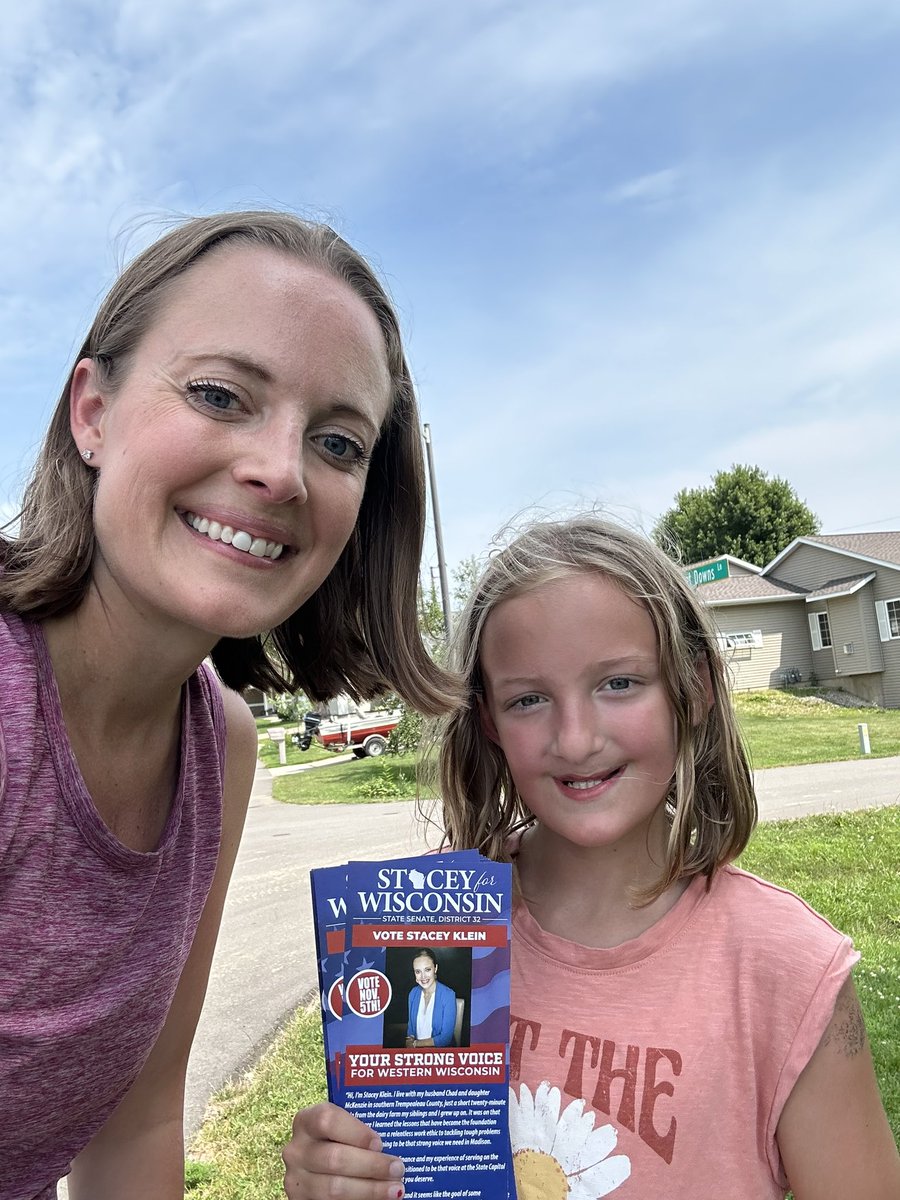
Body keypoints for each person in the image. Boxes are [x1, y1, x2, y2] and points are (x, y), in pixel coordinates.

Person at [0, 210, 459, 1200]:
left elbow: (136, 1120)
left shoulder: (222, 746)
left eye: (338, 443)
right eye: (220, 394)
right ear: (92, 412)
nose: (281, 470)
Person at [283, 516, 900, 1199]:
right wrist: (344, 1177)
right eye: (529, 699)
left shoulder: (787, 968)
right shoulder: (430, 927)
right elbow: (408, 1164)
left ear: (692, 689)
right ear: (489, 720)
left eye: (618, 684)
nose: (574, 740)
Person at [405, 949, 457, 1049]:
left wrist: (416, 1044)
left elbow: (446, 1038)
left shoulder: (448, 995)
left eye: (427, 970)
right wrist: (409, 1042)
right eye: (418, 971)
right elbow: (411, 1028)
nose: (423, 976)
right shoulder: (413, 993)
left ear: (435, 968)